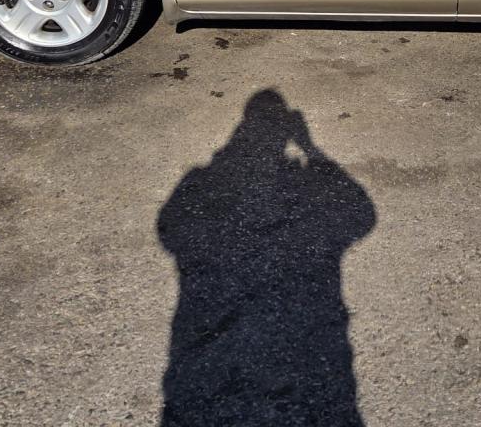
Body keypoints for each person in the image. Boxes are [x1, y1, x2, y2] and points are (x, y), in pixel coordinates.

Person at [158, 89, 376, 426]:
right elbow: (362, 216)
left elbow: (170, 230)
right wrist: (312, 149)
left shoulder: (201, 180)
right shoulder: (207, 180)